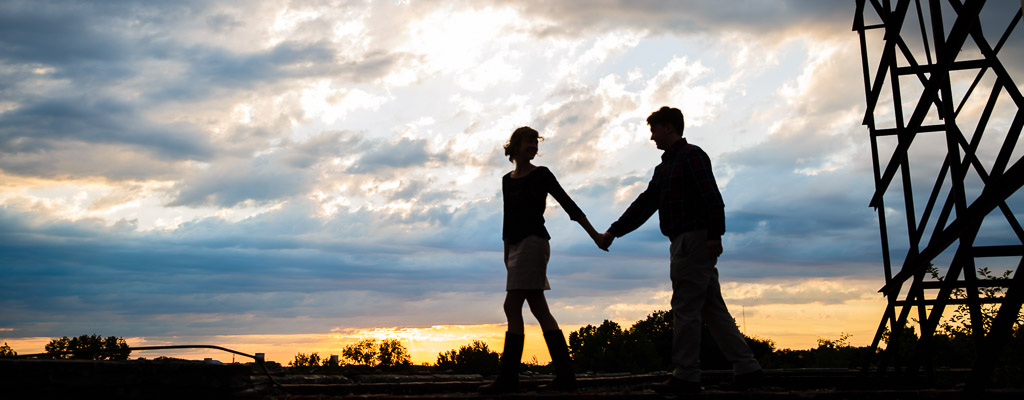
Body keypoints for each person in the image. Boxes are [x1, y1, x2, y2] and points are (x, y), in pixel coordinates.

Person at [597, 107, 762, 394]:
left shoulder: (691, 156)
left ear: (669, 128)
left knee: (685, 307)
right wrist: (614, 231)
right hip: (686, 241)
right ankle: (747, 369)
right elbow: (645, 203)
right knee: (712, 308)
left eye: (654, 130)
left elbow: (711, 196)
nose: (651, 137)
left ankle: (686, 374)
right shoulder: (665, 168)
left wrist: (713, 235)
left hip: (691, 240)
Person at [480, 126, 606, 394]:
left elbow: (568, 204)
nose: (533, 147)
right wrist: (506, 252)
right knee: (538, 308)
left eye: (536, 143)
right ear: (514, 145)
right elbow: (508, 218)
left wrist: (595, 235)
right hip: (515, 246)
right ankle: (565, 377)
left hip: (534, 243)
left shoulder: (542, 175)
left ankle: (508, 379)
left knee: (511, 306)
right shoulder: (507, 179)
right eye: (528, 142)